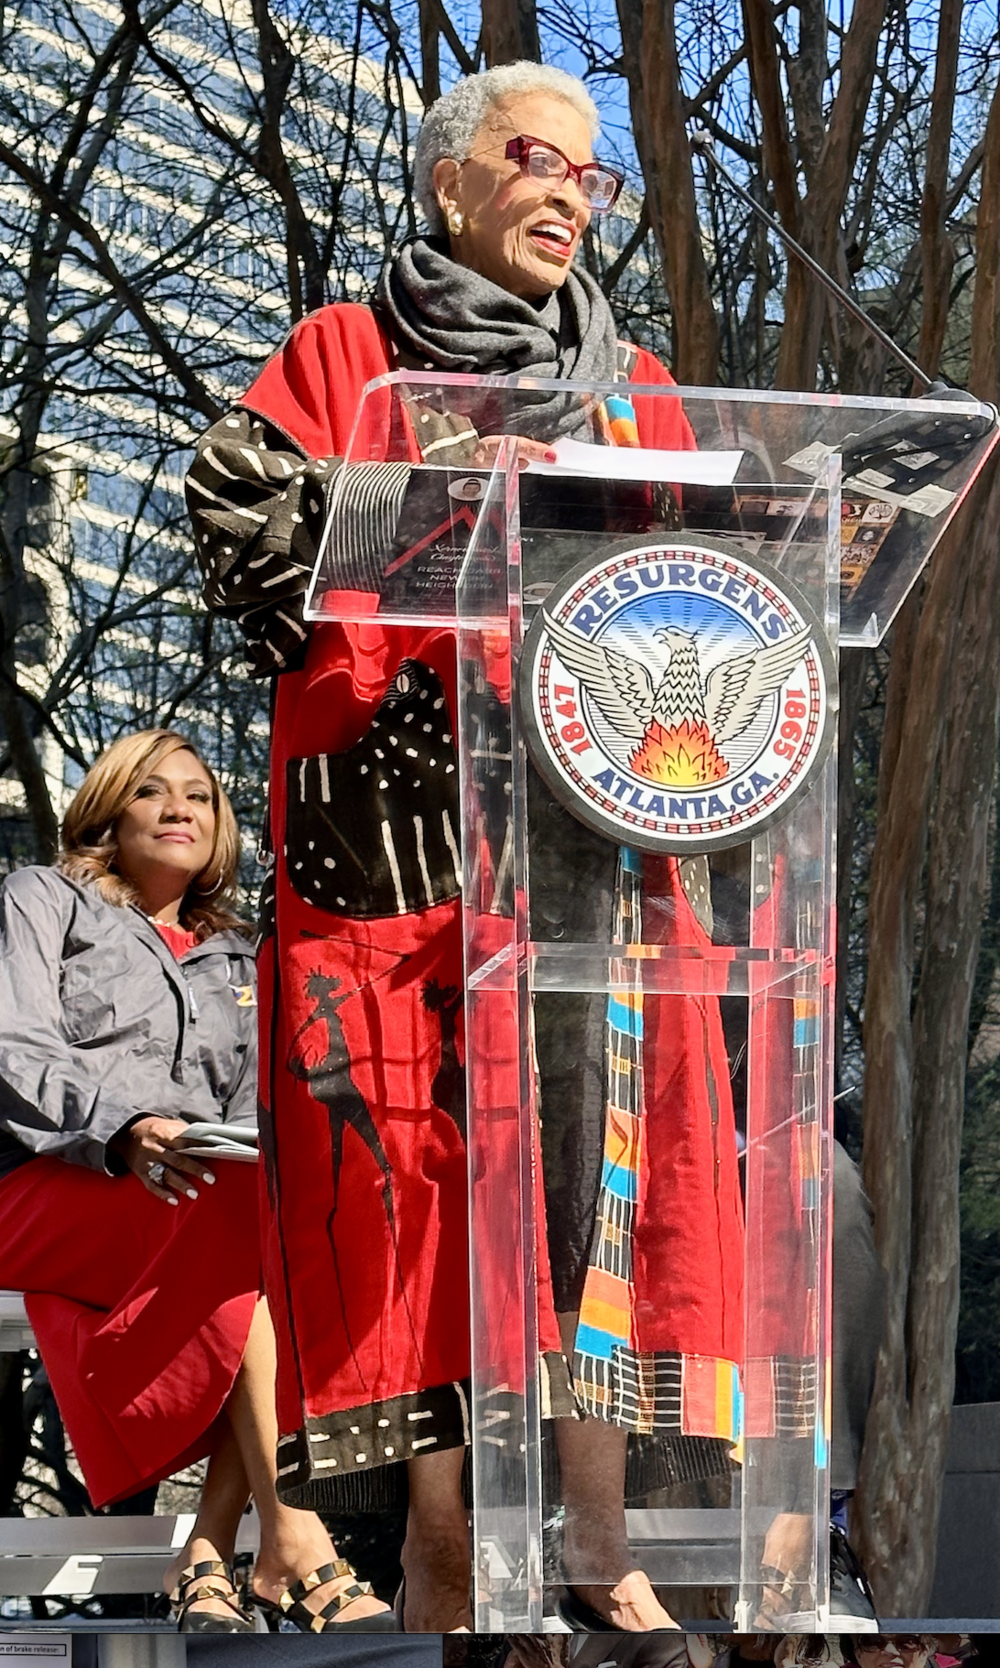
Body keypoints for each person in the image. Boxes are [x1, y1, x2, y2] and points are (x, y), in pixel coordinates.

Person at [187, 62, 749, 1633]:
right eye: (538, 162)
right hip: (402, 853)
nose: (573, 192)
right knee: (426, 1191)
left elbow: (712, 592)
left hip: (592, 851)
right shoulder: (344, 352)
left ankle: (592, 1528)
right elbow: (236, 524)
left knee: (603, 1181)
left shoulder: (633, 383)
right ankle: (442, 1534)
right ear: (451, 186)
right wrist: (416, 507)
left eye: (596, 175)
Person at [0, 729, 392, 1633]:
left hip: (190, 1193)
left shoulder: (243, 955)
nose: (182, 809)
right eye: (152, 792)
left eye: (202, 797)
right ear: (107, 810)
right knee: (238, 1222)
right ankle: (292, 1535)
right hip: (39, 1176)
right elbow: (16, 1047)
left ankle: (211, 1554)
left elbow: (262, 1103)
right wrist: (127, 1126)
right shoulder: (41, 898)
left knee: (300, 1231)